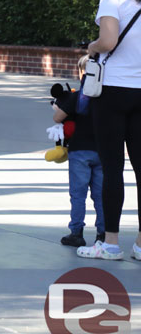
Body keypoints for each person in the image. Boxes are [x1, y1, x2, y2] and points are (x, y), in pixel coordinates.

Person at [77, 0, 141, 261]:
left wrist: (90, 48)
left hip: (113, 90)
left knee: (112, 167)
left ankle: (111, 242)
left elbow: (108, 41)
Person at [51, 57, 104, 248]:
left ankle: (76, 232)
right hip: (102, 151)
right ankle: (103, 234)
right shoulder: (107, 97)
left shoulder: (76, 97)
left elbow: (57, 118)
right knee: (101, 195)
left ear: (82, 73)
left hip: (79, 152)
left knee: (78, 194)